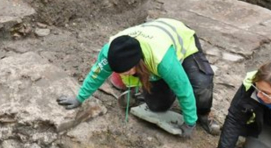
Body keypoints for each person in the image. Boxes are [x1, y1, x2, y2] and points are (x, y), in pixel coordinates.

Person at [57, 19, 221, 136]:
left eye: (126, 71)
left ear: (138, 62)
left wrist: (190, 121)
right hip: (154, 40)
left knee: (200, 85)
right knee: (157, 106)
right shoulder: (111, 52)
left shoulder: (161, 60)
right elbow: (96, 75)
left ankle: (204, 114)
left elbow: (183, 88)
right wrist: (79, 98)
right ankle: (167, 83)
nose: (122, 75)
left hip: (182, 41)